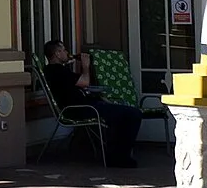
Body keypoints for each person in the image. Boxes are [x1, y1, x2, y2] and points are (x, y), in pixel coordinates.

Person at [42, 39, 142, 169]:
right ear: (57, 53)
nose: (67, 53)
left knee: (124, 114)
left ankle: (117, 155)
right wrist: (85, 66)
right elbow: (84, 82)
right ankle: (118, 157)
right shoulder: (56, 71)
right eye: (64, 50)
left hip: (86, 105)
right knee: (133, 114)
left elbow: (78, 85)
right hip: (79, 109)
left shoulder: (59, 70)